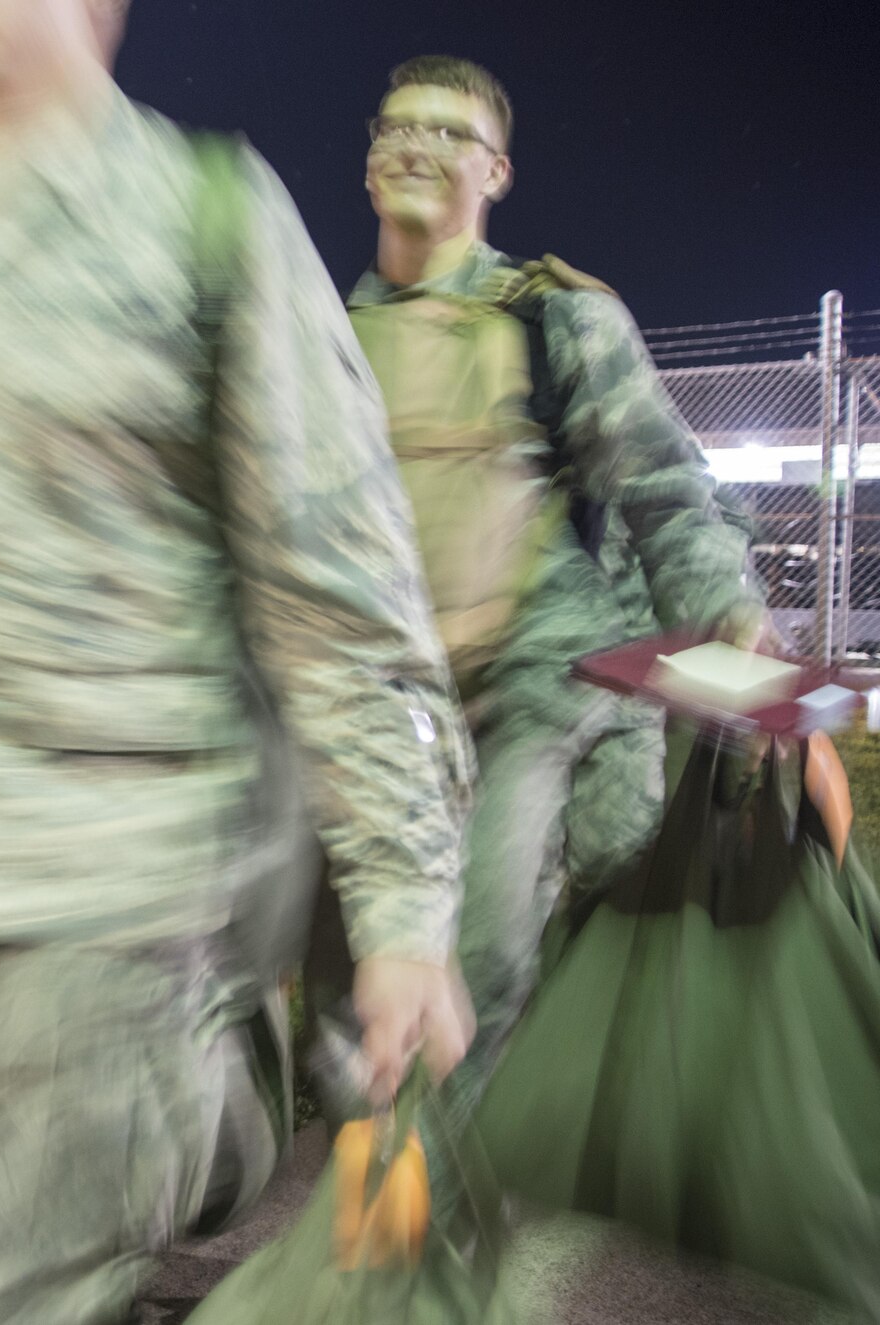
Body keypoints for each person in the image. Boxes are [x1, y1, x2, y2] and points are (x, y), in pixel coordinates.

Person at [0, 3, 476, 1320]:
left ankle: (208, 1117)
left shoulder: (204, 213)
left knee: (31, 1297)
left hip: (113, 913)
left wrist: (402, 916)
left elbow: (341, 591)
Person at [337, 55, 762, 1126]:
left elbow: (664, 490)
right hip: (380, 690)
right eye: (399, 127)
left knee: (480, 932)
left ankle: (414, 1193)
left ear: (497, 172)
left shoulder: (555, 319)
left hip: (532, 674)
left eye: (449, 134)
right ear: (367, 160)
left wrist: (733, 634)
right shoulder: (315, 337)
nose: (418, 148)